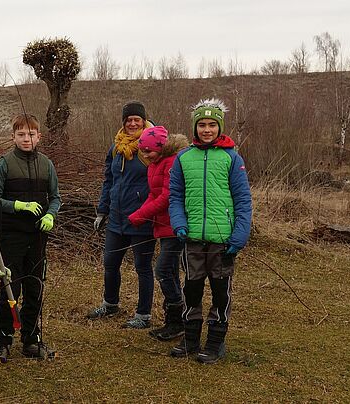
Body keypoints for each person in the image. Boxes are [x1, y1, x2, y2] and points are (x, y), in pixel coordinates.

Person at [168, 98, 252, 364]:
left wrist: (239, 236)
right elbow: (175, 196)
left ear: (219, 127)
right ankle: (190, 339)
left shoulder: (231, 158)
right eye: (202, 125)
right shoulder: (183, 158)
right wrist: (179, 224)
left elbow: (243, 200)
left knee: (219, 291)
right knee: (191, 290)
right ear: (195, 128)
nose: (207, 130)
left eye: (212, 125)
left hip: (222, 241)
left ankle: (215, 342)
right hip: (191, 238)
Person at [0, 114, 61, 361]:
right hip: (11, 237)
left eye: (31, 134)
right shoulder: (4, 164)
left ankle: (31, 339)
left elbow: (56, 198)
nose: (26, 139)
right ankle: (4, 341)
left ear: (39, 137)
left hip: (39, 238)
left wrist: (51, 215)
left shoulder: (46, 164)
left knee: (35, 288)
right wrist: (17, 205)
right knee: (10, 288)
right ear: (13, 137)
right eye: (21, 134)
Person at [88, 101, 156, 329]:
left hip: (142, 218)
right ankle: (110, 304)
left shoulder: (151, 147)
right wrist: (102, 210)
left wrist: (150, 210)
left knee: (143, 267)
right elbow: (109, 180)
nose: (133, 123)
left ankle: (144, 315)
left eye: (137, 119)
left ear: (144, 121)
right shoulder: (116, 148)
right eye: (129, 120)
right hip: (116, 218)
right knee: (110, 263)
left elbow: (161, 182)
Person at [128, 126, 189, 340]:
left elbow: (166, 197)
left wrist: (142, 214)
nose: (145, 155)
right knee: (170, 272)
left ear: (161, 148)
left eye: (149, 151)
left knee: (162, 271)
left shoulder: (171, 163)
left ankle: (179, 319)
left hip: (174, 226)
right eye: (142, 151)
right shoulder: (154, 165)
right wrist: (138, 214)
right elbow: (153, 195)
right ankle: (175, 322)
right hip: (162, 228)